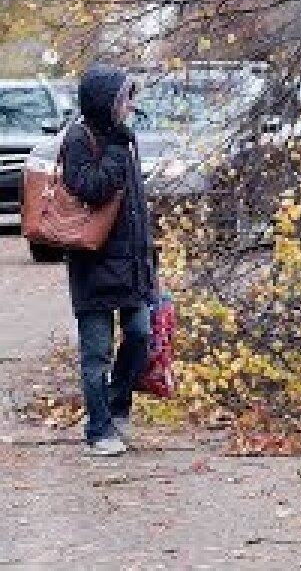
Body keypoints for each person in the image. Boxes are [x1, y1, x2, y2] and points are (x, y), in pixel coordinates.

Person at [61, 63, 155, 457]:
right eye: (123, 99)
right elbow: (91, 188)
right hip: (93, 264)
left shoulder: (124, 140)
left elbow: (136, 209)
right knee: (96, 352)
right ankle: (99, 428)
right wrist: (116, 150)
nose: (129, 107)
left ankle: (116, 406)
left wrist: (150, 263)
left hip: (131, 265)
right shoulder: (80, 139)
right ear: (105, 102)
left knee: (141, 334)